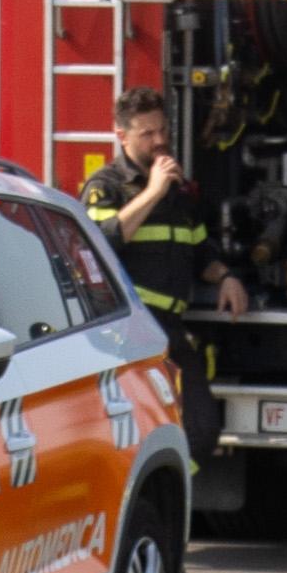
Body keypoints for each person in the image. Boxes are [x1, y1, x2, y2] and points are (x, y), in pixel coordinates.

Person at [80, 87, 246, 463]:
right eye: (147, 133)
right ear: (121, 136)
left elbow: (201, 251)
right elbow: (97, 247)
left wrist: (226, 277)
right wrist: (153, 191)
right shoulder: (105, 187)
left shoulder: (178, 190)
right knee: (149, 434)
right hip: (127, 331)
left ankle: (171, 495)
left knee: (201, 432)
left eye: (163, 130)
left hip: (169, 331)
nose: (159, 141)